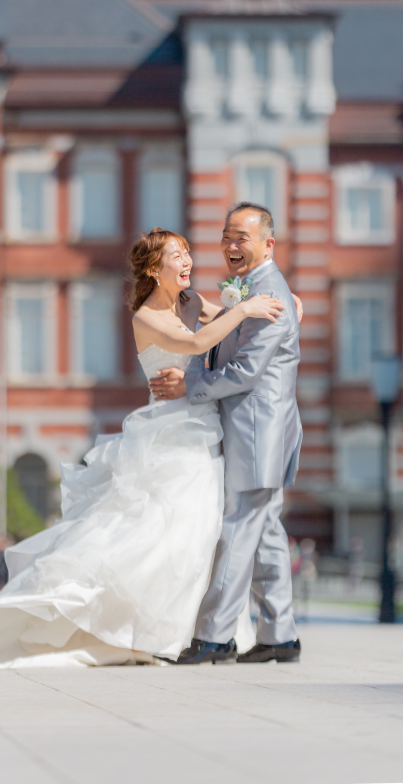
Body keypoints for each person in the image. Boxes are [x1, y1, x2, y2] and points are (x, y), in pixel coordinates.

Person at [0, 225, 297, 670]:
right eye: (177, 255)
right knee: (165, 526)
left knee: (204, 530)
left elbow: (226, 323)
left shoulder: (189, 302)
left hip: (205, 427)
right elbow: (196, 343)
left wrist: (281, 304)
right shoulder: (144, 317)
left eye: (188, 253)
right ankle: (146, 627)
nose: (188, 261)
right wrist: (246, 306)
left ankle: (199, 630)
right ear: (154, 267)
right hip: (171, 434)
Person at [150, 202, 303, 665]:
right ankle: (280, 635)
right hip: (260, 425)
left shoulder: (269, 292)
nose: (232, 245)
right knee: (267, 530)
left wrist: (188, 385)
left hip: (257, 425)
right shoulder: (254, 287)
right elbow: (236, 332)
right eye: (227, 236)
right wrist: (209, 311)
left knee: (237, 527)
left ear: (267, 244)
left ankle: (215, 637)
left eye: (242, 237)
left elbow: (245, 370)